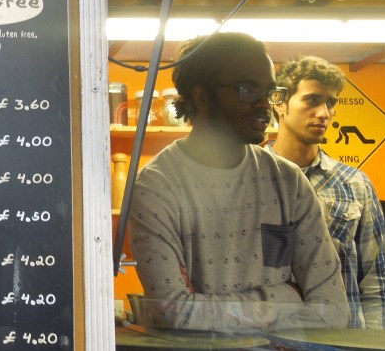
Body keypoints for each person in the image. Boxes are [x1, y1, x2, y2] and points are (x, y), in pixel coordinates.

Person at [128, 32, 349, 332]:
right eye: (248, 90)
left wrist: (211, 310)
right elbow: (175, 314)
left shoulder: (288, 181)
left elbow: (334, 310)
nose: (265, 104)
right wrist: (287, 297)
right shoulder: (156, 186)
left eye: (269, 91)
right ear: (202, 97)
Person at [268, 55, 385, 329]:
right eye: (312, 100)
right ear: (280, 103)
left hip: (342, 340)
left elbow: (378, 284)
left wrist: (380, 349)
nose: (324, 113)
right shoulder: (253, 179)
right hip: (270, 339)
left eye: (330, 103)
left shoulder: (354, 184)